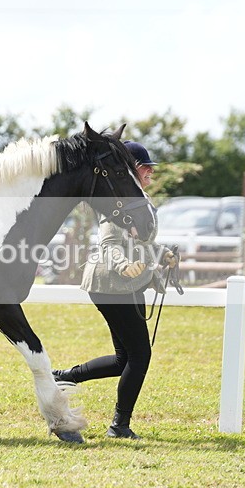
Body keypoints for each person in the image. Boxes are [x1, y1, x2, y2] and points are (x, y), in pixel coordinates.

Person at [53, 141, 177, 439]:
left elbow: (141, 242)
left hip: (125, 284)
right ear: (129, 169)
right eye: (144, 167)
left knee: (125, 359)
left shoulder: (139, 198)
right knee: (140, 355)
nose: (149, 172)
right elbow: (109, 244)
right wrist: (122, 266)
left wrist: (162, 254)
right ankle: (119, 426)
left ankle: (65, 377)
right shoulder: (119, 200)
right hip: (111, 283)